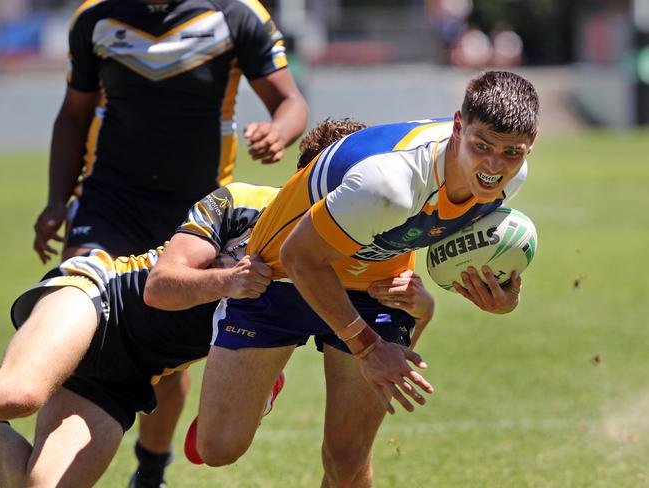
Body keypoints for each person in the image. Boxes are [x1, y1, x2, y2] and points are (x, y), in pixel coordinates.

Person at [0, 119, 433, 487]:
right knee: (17, 395)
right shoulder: (243, 201)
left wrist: (422, 303)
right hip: (100, 299)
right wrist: (229, 280)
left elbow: (382, 332)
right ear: (306, 180)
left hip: (121, 385)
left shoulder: (354, 253)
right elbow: (160, 287)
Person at [180, 71, 539, 486]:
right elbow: (301, 257)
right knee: (218, 448)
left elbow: (451, 240)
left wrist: (503, 295)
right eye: (482, 146)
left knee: (348, 457)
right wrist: (369, 349)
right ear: (458, 125)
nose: (494, 166)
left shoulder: (510, 179)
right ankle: (267, 381)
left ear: (531, 143)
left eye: (512, 152)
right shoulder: (389, 184)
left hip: (375, 287)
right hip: (280, 273)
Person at [31, 0, 307, 485]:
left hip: (193, 215)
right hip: (107, 204)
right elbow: (74, 114)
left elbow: (290, 101)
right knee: (69, 307)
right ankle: (44, 459)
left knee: (162, 352)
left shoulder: (237, 15)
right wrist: (57, 200)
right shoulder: (95, 19)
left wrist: (277, 132)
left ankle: (151, 470)